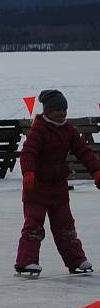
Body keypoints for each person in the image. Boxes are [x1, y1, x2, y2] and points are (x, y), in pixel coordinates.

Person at [15, 89, 100, 276]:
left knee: (66, 226)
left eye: (65, 110)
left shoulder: (68, 130)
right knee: (34, 225)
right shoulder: (38, 130)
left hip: (58, 187)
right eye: (57, 110)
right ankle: (26, 262)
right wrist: (28, 173)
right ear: (47, 111)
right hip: (36, 187)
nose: (62, 114)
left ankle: (76, 260)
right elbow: (28, 153)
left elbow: (83, 151)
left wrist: (96, 171)